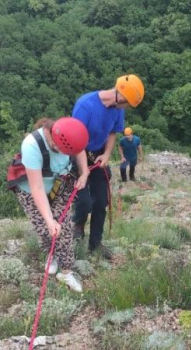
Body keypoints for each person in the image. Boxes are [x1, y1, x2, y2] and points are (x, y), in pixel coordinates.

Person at [71, 74, 145, 259]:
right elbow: (76, 139)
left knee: (101, 202)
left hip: (97, 154)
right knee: (84, 201)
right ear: (120, 95)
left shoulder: (117, 109)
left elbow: (112, 132)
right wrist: (84, 170)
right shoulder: (85, 105)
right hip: (77, 152)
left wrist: (106, 154)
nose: (127, 107)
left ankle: (95, 244)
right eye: (127, 103)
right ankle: (77, 227)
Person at [12, 117, 90, 292]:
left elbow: (79, 150)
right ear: (55, 143)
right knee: (45, 227)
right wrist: (49, 220)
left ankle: (66, 271)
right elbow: (37, 188)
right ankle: (51, 255)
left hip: (60, 183)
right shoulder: (32, 145)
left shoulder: (70, 134)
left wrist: (84, 173)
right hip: (31, 191)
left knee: (63, 227)